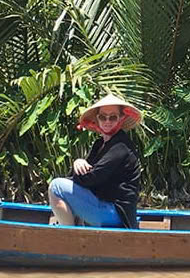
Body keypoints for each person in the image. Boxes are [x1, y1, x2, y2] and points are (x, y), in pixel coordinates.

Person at [48, 94, 143, 228]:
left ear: (121, 119)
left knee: (56, 186)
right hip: (103, 208)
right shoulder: (99, 144)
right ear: (97, 119)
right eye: (103, 117)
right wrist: (78, 163)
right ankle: (71, 231)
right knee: (62, 185)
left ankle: (69, 237)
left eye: (113, 117)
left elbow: (91, 178)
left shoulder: (121, 147)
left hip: (116, 214)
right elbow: (77, 177)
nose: (107, 121)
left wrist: (79, 170)